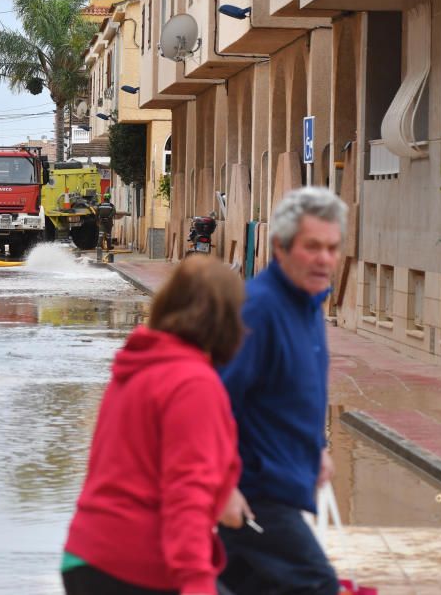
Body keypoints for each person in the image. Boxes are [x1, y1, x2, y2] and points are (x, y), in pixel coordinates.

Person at [63, 256, 248, 595]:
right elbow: (185, 493)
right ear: (225, 322)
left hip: (86, 555)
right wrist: (196, 581)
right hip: (135, 566)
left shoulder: (139, 366)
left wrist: (223, 490)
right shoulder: (193, 383)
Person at [217, 186, 347, 595]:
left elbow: (287, 397)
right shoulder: (259, 309)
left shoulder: (308, 305)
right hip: (256, 491)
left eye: (332, 247)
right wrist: (221, 486)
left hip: (285, 486)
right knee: (318, 585)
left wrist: (317, 449)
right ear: (280, 247)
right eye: (312, 246)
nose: (325, 258)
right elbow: (214, 402)